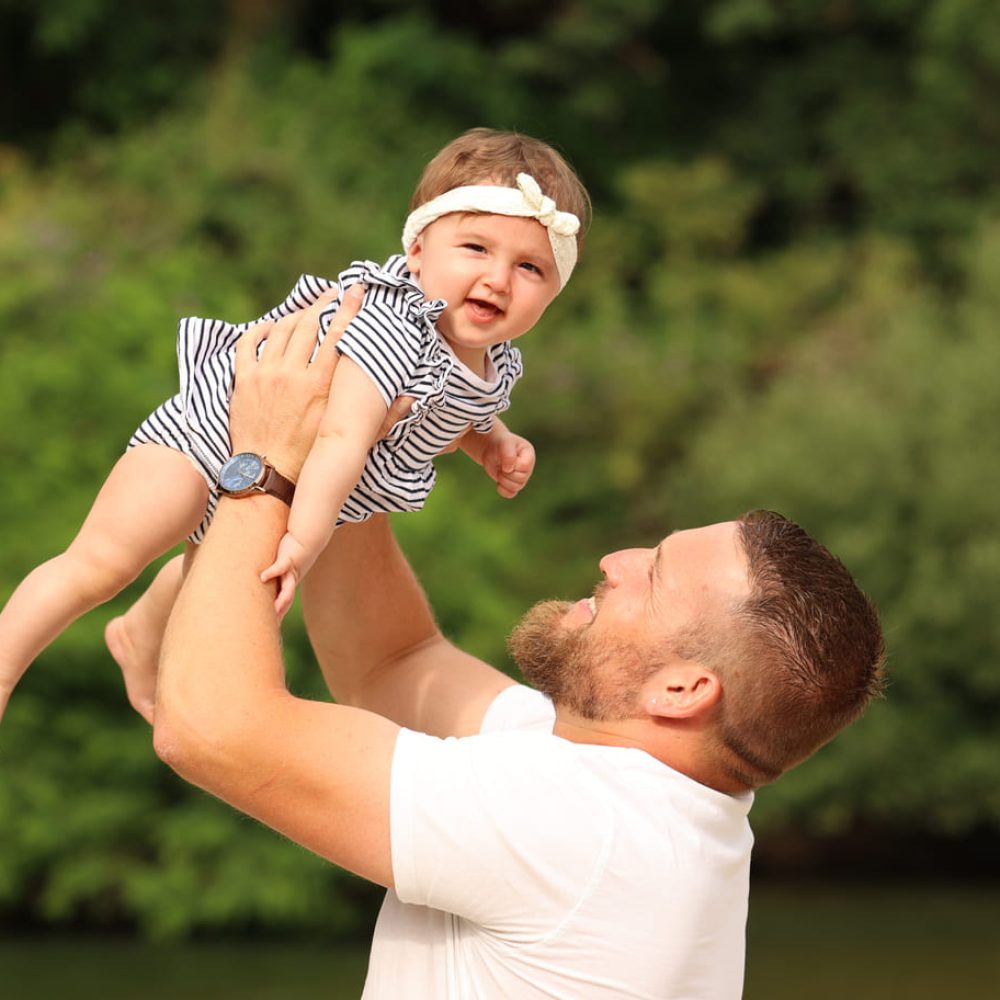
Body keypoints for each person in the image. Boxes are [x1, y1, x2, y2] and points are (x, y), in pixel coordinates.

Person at [152, 292, 887, 999]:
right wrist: (364, 429)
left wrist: (265, 458)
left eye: (653, 574)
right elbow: (393, 663)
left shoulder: (582, 829)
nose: (615, 561)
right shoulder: (631, 791)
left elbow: (212, 726)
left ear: (683, 690)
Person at [0, 128, 589, 726]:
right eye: (476, 249)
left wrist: (492, 442)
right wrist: (305, 545)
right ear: (417, 253)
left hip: (287, 483)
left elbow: (452, 410)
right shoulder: (393, 327)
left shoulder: (494, 359)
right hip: (211, 441)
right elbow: (342, 437)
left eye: (530, 268)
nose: (498, 279)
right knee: (103, 562)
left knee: (209, 569)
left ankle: (138, 635)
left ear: (554, 292)